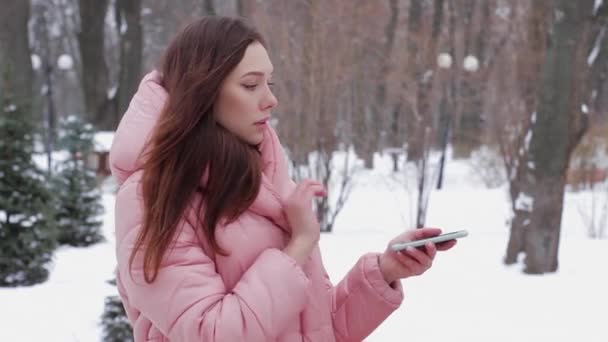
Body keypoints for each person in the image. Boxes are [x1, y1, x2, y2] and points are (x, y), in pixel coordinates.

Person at [110, 16, 457, 342]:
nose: (271, 100)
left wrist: (384, 272)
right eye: (250, 85)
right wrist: (300, 243)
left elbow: (318, 328)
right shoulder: (150, 198)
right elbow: (215, 332)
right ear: (203, 92)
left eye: (269, 83)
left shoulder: (267, 183)